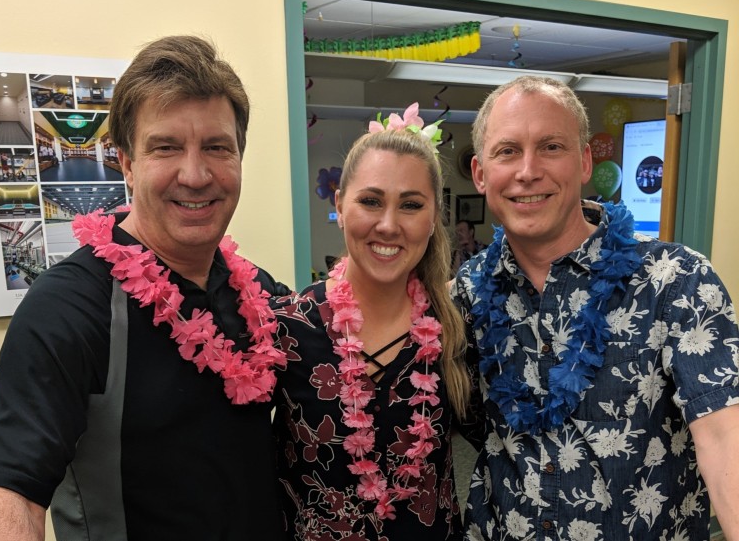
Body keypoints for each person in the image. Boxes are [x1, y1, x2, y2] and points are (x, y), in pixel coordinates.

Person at [0, 35, 289, 540]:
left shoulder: (262, 296)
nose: (195, 173)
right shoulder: (69, 306)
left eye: (216, 147)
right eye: (165, 147)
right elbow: (6, 491)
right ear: (125, 161)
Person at [453, 75, 739, 539]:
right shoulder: (466, 293)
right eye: (507, 151)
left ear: (584, 161)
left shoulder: (673, 279)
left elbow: (726, 436)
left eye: (551, 147)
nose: (528, 170)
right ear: (481, 173)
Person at [272, 105, 477, 540]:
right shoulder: (288, 327)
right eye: (370, 201)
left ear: (432, 216)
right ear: (340, 205)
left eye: (410, 205)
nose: (388, 225)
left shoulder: (457, 327)